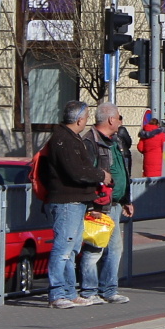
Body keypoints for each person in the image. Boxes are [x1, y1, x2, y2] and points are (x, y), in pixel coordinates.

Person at [42, 100, 111, 309]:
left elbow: (80, 169)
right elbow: (76, 171)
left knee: (71, 250)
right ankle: (57, 293)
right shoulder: (63, 140)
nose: (87, 120)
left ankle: (70, 292)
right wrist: (100, 175)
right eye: (87, 116)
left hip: (76, 200)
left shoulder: (71, 138)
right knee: (63, 249)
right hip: (66, 201)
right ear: (79, 119)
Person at [78, 103, 134, 304]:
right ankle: (89, 291)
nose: (120, 121)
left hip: (115, 203)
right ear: (111, 120)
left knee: (114, 249)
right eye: (119, 117)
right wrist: (94, 205)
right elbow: (87, 173)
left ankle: (109, 289)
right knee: (95, 248)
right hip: (100, 205)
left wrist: (126, 199)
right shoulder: (90, 142)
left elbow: (122, 170)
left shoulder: (115, 141)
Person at [137, 108, 165, 178]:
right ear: (157, 125)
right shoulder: (161, 135)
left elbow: (140, 147)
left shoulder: (144, 134)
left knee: (147, 179)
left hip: (147, 160)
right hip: (158, 160)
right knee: (157, 180)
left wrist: (146, 152)